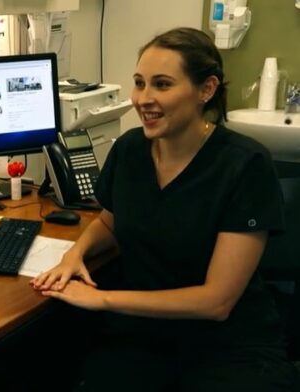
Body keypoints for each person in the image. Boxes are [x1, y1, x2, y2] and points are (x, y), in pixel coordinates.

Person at [31, 27, 299, 391]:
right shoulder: (129, 151)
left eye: (162, 84)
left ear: (206, 90)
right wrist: (75, 254)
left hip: (227, 345)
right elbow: (110, 224)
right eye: (139, 83)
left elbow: (216, 301)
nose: (144, 98)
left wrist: (102, 298)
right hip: (143, 336)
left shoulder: (245, 164)